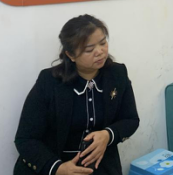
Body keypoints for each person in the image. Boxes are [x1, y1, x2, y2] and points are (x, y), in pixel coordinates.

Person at [14, 15, 140, 175]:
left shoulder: (117, 74)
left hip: (100, 163)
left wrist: (108, 134)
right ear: (71, 55)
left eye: (103, 43)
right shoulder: (49, 82)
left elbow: (130, 119)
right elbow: (25, 139)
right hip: (55, 163)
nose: (100, 52)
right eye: (89, 49)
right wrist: (57, 168)